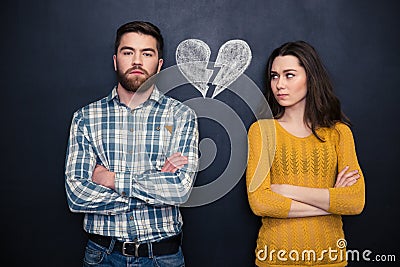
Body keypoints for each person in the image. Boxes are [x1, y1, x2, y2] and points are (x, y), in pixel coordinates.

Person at [65, 21, 198, 267]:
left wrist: (112, 179)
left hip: (163, 257)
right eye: (128, 52)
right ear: (116, 60)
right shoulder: (85, 118)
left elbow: (180, 189)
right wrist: (155, 185)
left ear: (159, 65)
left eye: (147, 53)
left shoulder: (181, 116)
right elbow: (76, 195)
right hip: (103, 256)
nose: (137, 61)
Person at [246, 41, 365, 266]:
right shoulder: (262, 131)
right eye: (274, 76)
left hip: (328, 258)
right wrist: (330, 202)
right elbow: (260, 202)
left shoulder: (338, 133)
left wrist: (286, 190)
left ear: (310, 77)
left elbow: (355, 202)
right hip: (276, 258)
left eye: (289, 75)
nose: (279, 84)